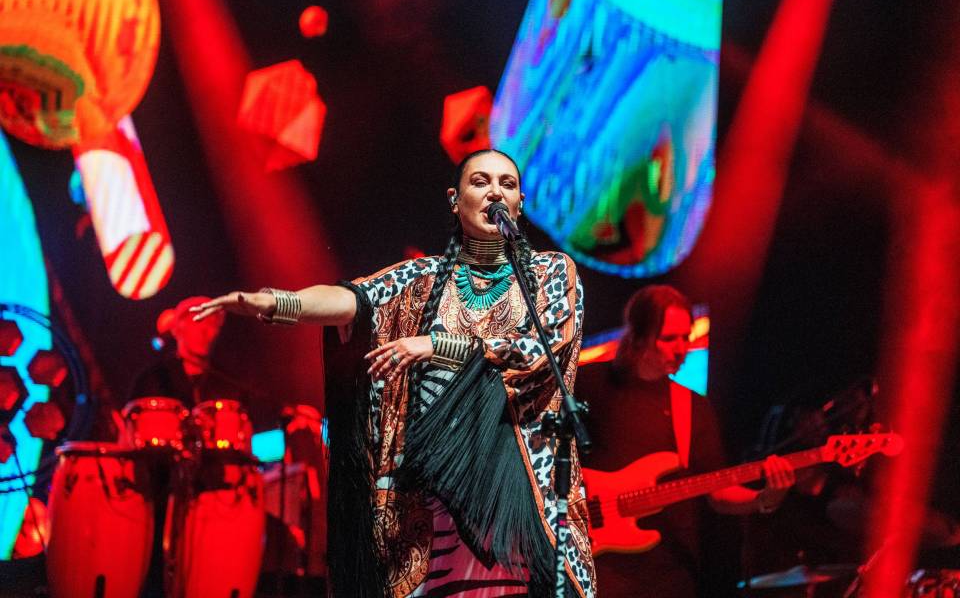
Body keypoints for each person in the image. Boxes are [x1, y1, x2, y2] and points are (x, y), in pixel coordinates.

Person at [193, 149, 597, 598]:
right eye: (480, 181)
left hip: (519, 502)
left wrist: (437, 345)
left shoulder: (551, 271)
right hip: (435, 510)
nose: (495, 192)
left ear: (520, 202)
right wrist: (275, 302)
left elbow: (540, 349)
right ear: (454, 199)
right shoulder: (422, 278)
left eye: (507, 184)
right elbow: (353, 299)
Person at [576, 284, 795, 598]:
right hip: (597, 567)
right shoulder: (588, 383)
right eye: (669, 339)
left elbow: (718, 490)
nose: (681, 349)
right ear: (639, 336)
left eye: (685, 337)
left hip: (668, 575)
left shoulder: (692, 407)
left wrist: (763, 498)